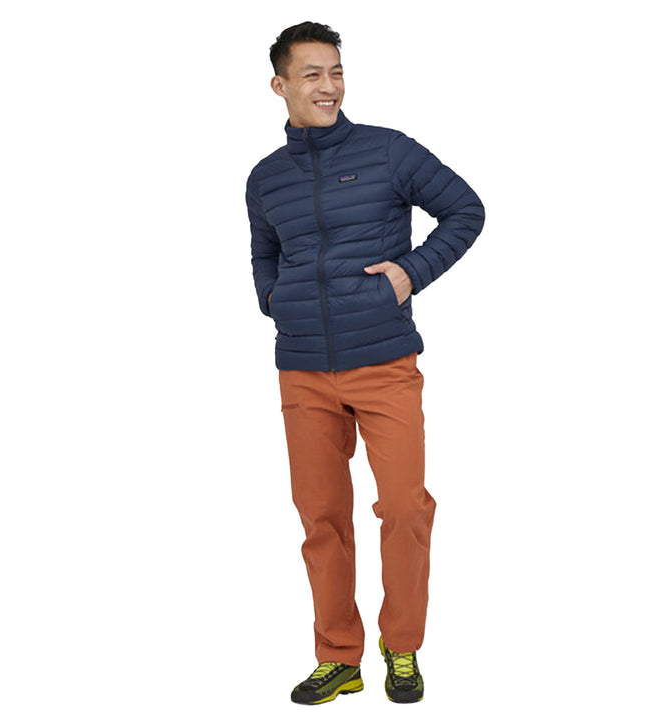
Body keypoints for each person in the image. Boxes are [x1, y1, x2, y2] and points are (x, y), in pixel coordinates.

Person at [246, 21, 485, 705]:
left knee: (405, 506)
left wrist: (410, 273)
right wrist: (274, 301)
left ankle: (400, 646)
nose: (329, 86)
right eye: (312, 74)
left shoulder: (387, 150)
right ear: (280, 85)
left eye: (337, 72)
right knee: (321, 517)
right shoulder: (265, 178)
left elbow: (465, 210)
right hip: (301, 369)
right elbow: (264, 252)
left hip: (383, 360)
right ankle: (338, 657)